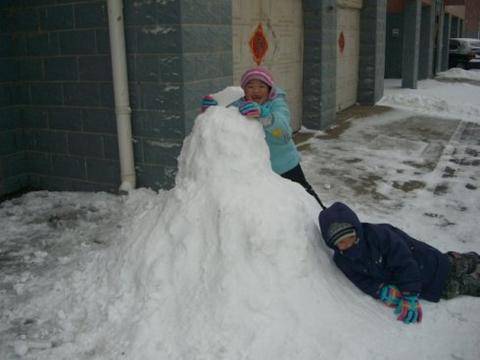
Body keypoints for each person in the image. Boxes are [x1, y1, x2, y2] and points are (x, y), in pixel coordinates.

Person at [318, 201, 480, 324]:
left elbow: (404, 262)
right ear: (332, 243)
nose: (347, 245)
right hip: (421, 282)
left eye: (350, 238)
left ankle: (470, 259)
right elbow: (360, 279)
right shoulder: (343, 260)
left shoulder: (379, 236)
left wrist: (409, 294)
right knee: (452, 288)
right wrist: (380, 290)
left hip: (427, 263)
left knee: (455, 265)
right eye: (341, 242)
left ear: (357, 230)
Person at [201, 67, 326, 209]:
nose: (256, 90)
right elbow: (225, 116)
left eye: (261, 86)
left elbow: (284, 133)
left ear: (269, 89)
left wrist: (264, 115)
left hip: (285, 165)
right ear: (244, 90)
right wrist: (213, 108)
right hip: (258, 170)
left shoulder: (277, 104)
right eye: (250, 86)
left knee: (306, 200)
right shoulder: (239, 104)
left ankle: (328, 220)